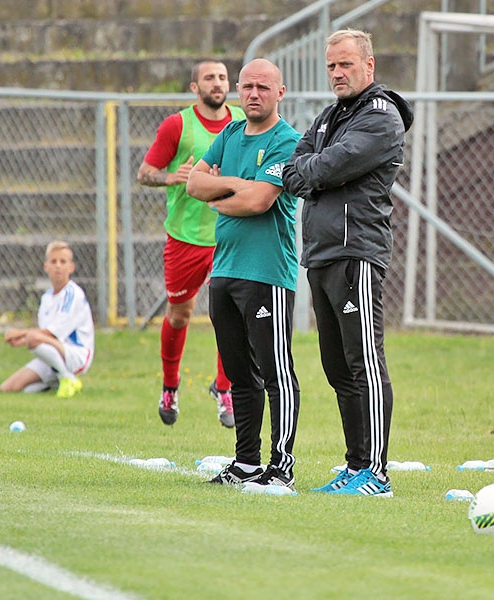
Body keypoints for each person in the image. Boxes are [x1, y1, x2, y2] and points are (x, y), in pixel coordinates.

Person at [282, 29, 413, 497]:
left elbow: (322, 168)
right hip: (319, 255)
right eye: (332, 66)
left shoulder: (381, 116)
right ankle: (355, 465)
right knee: (337, 368)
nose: (338, 73)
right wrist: (310, 171)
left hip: (355, 252)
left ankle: (376, 473)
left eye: (346, 65)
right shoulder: (329, 115)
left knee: (364, 364)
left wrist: (311, 171)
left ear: (369, 65)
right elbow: (297, 167)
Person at [186, 58, 302, 491]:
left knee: (276, 372)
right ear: (238, 90)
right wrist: (238, 186)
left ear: (280, 93)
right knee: (239, 374)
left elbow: (259, 202)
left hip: (267, 273)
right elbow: (193, 184)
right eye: (248, 86)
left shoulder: (287, 141)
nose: (254, 93)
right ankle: (246, 462)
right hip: (226, 270)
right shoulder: (230, 133)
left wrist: (223, 189)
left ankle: (282, 466)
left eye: (263, 87)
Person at [138, 59, 245, 428]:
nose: (217, 83)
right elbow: (145, 173)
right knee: (180, 316)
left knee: (230, 315)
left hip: (228, 235)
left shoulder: (241, 121)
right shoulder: (177, 125)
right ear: (194, 88)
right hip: (185, 239)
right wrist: (171, 177)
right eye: (209, 78)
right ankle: (170, 385)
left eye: (222, 77)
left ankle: (224, 388)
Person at [0, 240, 95, 399]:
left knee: (33, 338)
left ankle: (67, 378)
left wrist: (20, 333)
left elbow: (53, 334)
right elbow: (45, 334)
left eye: (63, 261)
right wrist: (23, 340)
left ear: (71, 267)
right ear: (46, 266)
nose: (58, 266)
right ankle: (57, 381)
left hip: (75, 355)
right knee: (9, 388)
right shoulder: (46, 298)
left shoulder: (73, 294)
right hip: (54, 353)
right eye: (53, 261)